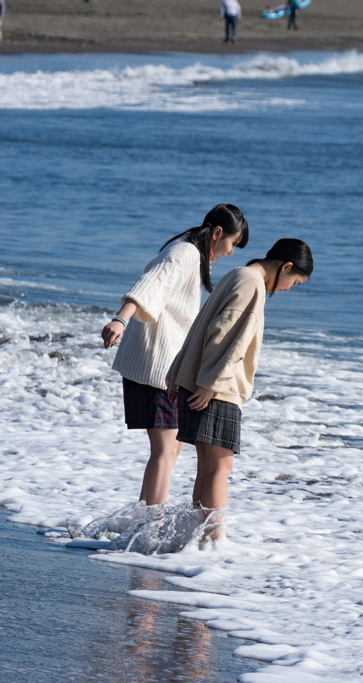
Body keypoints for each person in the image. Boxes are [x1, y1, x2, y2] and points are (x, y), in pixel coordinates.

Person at [102, 205, 249, 510]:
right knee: (166, 449)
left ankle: (143, 519)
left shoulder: (190, 256)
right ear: (218, 233)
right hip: (155, 363)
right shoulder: (185, 254)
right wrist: (121, 318)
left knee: (172, 447)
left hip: (163, 365)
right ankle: (149, 525)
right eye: (232, 244)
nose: (232, 252)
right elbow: (151, 285)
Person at [166, 238, 313, 541]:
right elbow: (229, 337)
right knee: (221, 468)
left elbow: (199, 327)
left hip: (199, 380)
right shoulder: (253, 284)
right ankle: (214, 542)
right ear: (285, 266)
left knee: (208, 468)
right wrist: (211, 384)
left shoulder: (237, 274)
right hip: (218, 387)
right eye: (293, 282)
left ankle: (196, 539)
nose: (287, 289)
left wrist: (178, 375)